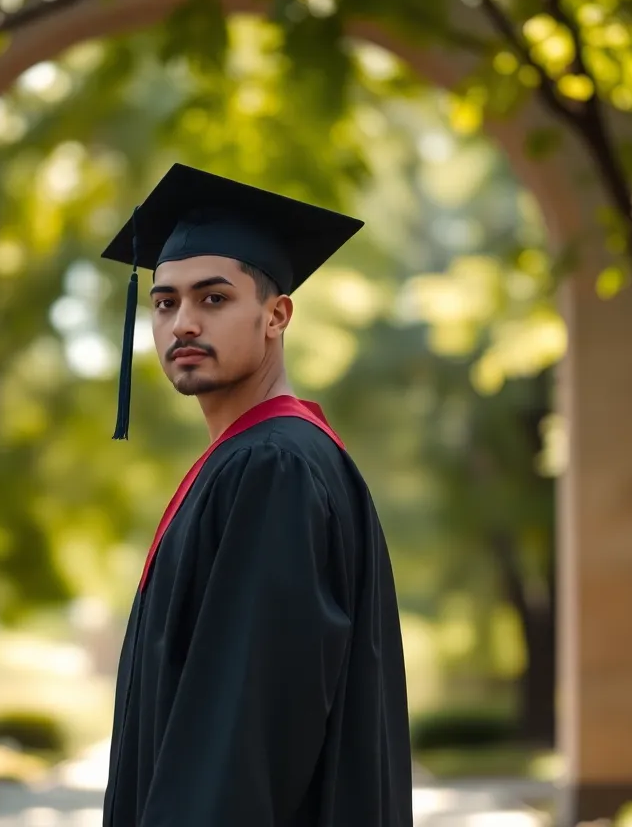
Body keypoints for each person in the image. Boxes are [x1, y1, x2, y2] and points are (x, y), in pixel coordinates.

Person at [99, 163, 413, 827]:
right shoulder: (256, 460)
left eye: (213, 299)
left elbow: (243, 732)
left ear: (276, 316)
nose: (183, 322)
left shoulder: (274, 467)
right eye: (165, 302)